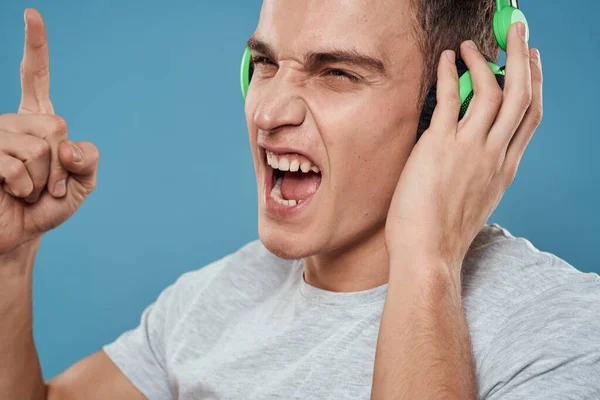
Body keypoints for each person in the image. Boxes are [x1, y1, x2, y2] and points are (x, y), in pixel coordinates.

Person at [1, 1, 598, 399]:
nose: (266, 112)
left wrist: (426, 262)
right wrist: (10, 258)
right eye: (263, 64)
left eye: (337, 73)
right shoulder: (209, 301)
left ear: (460, 108)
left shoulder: (561, 333)